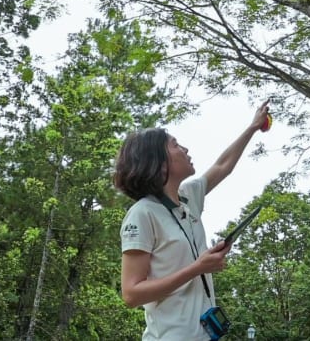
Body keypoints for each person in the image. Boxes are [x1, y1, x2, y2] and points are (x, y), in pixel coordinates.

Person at [114, 100, 270, 340]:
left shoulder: (188, 198)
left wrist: (252, 127)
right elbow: (132, 294)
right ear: (159, 163)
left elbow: (222, 166)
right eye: (175, 145)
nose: (185, 149)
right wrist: (198, 268)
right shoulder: (142, 213)